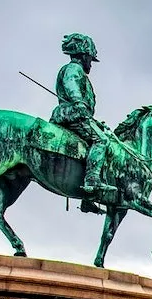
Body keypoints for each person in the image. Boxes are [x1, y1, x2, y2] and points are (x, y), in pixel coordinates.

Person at [50, 33, 115, 214]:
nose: (91, 64)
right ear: (84, 55)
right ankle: (92, 180)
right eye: (90, 59)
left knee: (95, 141)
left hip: (78, 114)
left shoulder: (75, 70)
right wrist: (78, 102)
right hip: (72, 114)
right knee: (101, 141)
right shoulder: (73, 69)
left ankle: (88, 199)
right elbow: (72, 87)